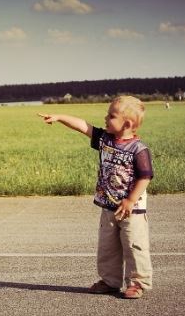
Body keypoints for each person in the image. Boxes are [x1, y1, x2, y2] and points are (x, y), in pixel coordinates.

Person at [38, 95, 153, 299]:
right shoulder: (104, 139)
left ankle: (137, 283)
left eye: (111, 115)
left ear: (127, 123)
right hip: (108, 206)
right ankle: (110, 281)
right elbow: (83, 126)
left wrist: (130, 200)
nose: (106, 118)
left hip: (131, 209)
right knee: (107, 247)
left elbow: (145, 177)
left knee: (134, 245)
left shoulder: (138, 149)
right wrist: (59, 117)